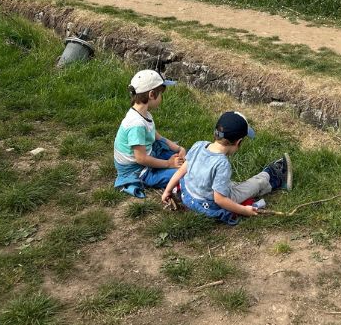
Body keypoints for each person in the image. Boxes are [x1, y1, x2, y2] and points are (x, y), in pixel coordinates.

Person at [161, 111, 292, 224]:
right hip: (207, 203)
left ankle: (269, 182)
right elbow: (220, 200)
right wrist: (244, 211)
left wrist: (168, 190)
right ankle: (274, 176)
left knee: (231, 185)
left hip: (188, 195)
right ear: (238, 142)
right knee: (253, 185)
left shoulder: (199, 145)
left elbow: (182, 170)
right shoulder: (222, 164)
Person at [114, 69, 185, 198]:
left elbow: (157, 137)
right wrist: (168, 164)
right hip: (139, 170)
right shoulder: (136, 124)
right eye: (161, 93)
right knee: (183, 172)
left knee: (188, 158)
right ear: (152, 94)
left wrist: (179, 148)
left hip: (148, 155)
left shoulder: (144, 114)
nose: (162, 97)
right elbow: (141, 159)